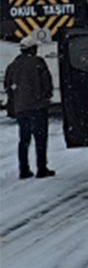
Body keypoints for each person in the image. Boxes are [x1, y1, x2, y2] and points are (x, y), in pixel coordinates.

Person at [4, 35, 55, 179]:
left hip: (21, 108)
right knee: (40, 139)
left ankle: (24, 169)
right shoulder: (38, 62)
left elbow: (7, 86)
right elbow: (47, 84)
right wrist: (45, 96)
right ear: (33, 49)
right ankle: (41, 167)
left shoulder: (13, 66)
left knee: (24, 140)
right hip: (37, 107)